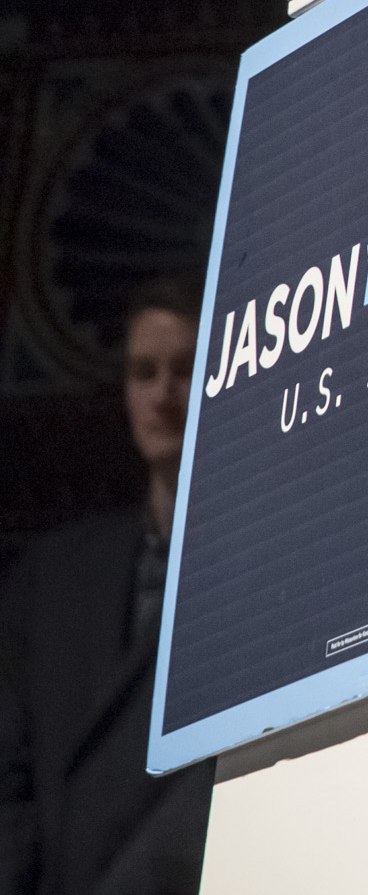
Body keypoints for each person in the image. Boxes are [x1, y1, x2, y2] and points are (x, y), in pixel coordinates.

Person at [0, 272, 213, 895]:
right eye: (143, 373)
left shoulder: (251, 565)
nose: (163, 394)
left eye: (185, 369)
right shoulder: (52, 575)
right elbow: (10, 769)